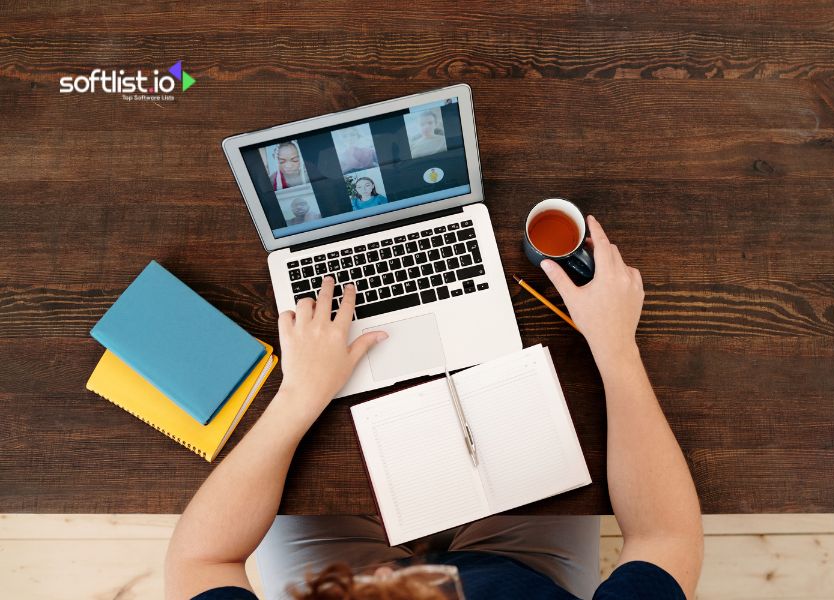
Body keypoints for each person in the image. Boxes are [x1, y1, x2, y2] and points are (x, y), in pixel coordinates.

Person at [165, 216, 704, 600]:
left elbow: (200, 562)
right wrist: (615, 346)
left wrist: (299, 397)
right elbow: (665, 539)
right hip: (519, 572)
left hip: (345, 574)